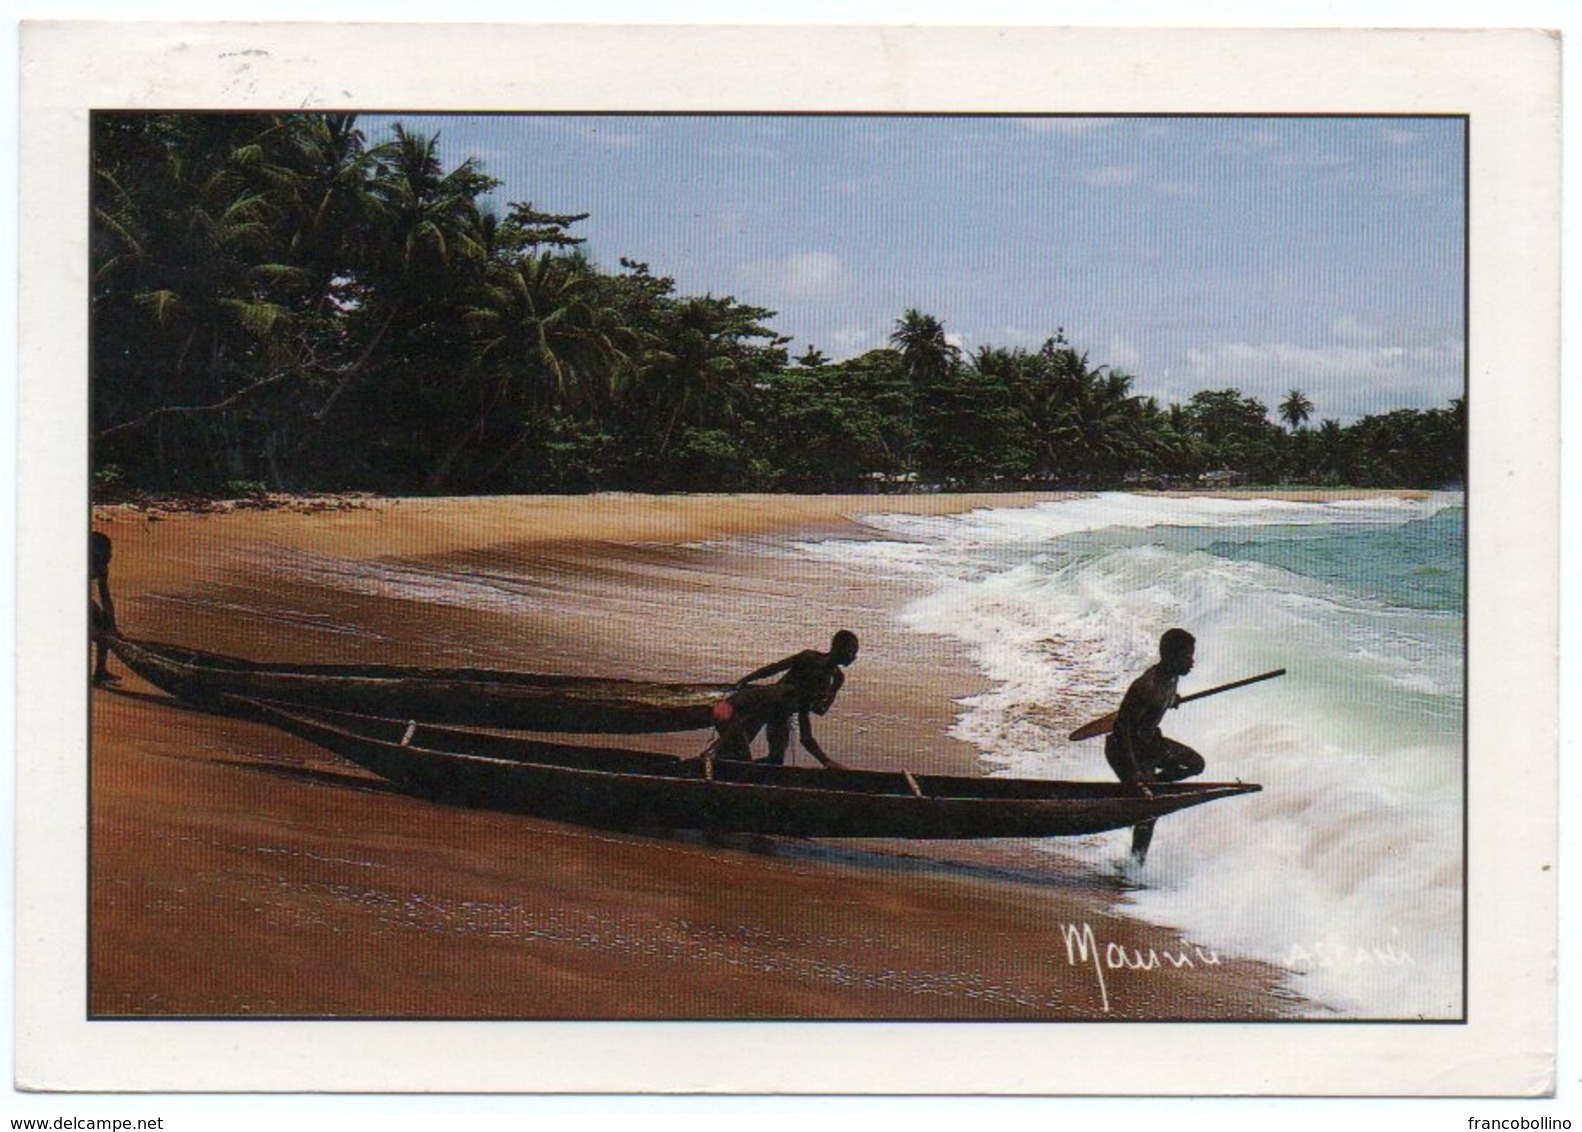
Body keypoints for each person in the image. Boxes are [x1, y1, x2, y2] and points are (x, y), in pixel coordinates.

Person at [1104, 627, 1205, 865]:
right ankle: (1135, 867)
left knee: (1195, 764)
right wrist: (1134, 772)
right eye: (1188, 656)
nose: (1192, 662)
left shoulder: (1172, 676)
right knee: (1149, 813)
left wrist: (1173, 701)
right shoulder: (1146, 685)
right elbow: (1121, 729)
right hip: (1124, 749)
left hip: (1149, 742)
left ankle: (1154, 785)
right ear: (1172, 657)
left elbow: (1163, 699)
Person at [710, 630, 859, 770]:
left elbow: (821, 709)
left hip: (778, 712)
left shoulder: (837, 678)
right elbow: (775, 668)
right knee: (735, 752)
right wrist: (745, 680)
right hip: (760, 707)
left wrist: (826, 761)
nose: (853, 657)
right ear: (837, 647)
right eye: (851, 651)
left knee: (773, 760)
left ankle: (734, 769)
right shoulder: (809, 658)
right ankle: (723, 766)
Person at [90, 530, 119, 684]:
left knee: (104, 623)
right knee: (95, 631)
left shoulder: (101, 567)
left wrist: (112, 626)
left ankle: (100, 671)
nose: (108, 558)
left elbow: (105, 597)